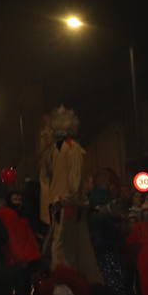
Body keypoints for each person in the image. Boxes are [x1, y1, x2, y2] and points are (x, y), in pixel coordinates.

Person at [38, 105, 100, 281]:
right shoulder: (57, 150)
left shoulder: (67, 149)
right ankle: (67, 281)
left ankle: (69, 282)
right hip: (62, 204)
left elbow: (74, 178)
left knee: (65, 246)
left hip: (66, 205)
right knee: (65, 246)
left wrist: (68, 198)